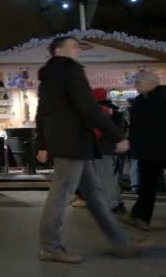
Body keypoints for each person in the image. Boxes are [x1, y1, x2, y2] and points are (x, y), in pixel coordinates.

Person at [35, 36, 150, 263]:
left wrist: (43, 143)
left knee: (95, 196)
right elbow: (88, 107)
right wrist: (116, 136)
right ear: (59, 50)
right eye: (73, 45)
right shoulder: (70, 70)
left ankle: (121, 242)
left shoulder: (50, 76)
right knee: (60, 195)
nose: (78, 49)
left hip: (72, 143)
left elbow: (42, 113)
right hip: (73, 142)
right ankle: (49, 247)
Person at [123, 71, 166, 231]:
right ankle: (138, 217)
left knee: (148, 186)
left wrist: (134, 147)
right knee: (148, 186)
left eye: (137, 84)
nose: (136, 87)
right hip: (154, 150)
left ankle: (141, 218)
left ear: (146, 84)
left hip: (150, 152)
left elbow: (137, 128)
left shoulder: (141, 102)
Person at [92, 88, 127, 215]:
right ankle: (118, 202)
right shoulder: (115, 110)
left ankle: (113, 204)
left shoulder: (97, 110)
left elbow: (95, 131)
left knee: (105, 177)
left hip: (101, 148)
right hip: (114, 148)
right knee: (111, 176)